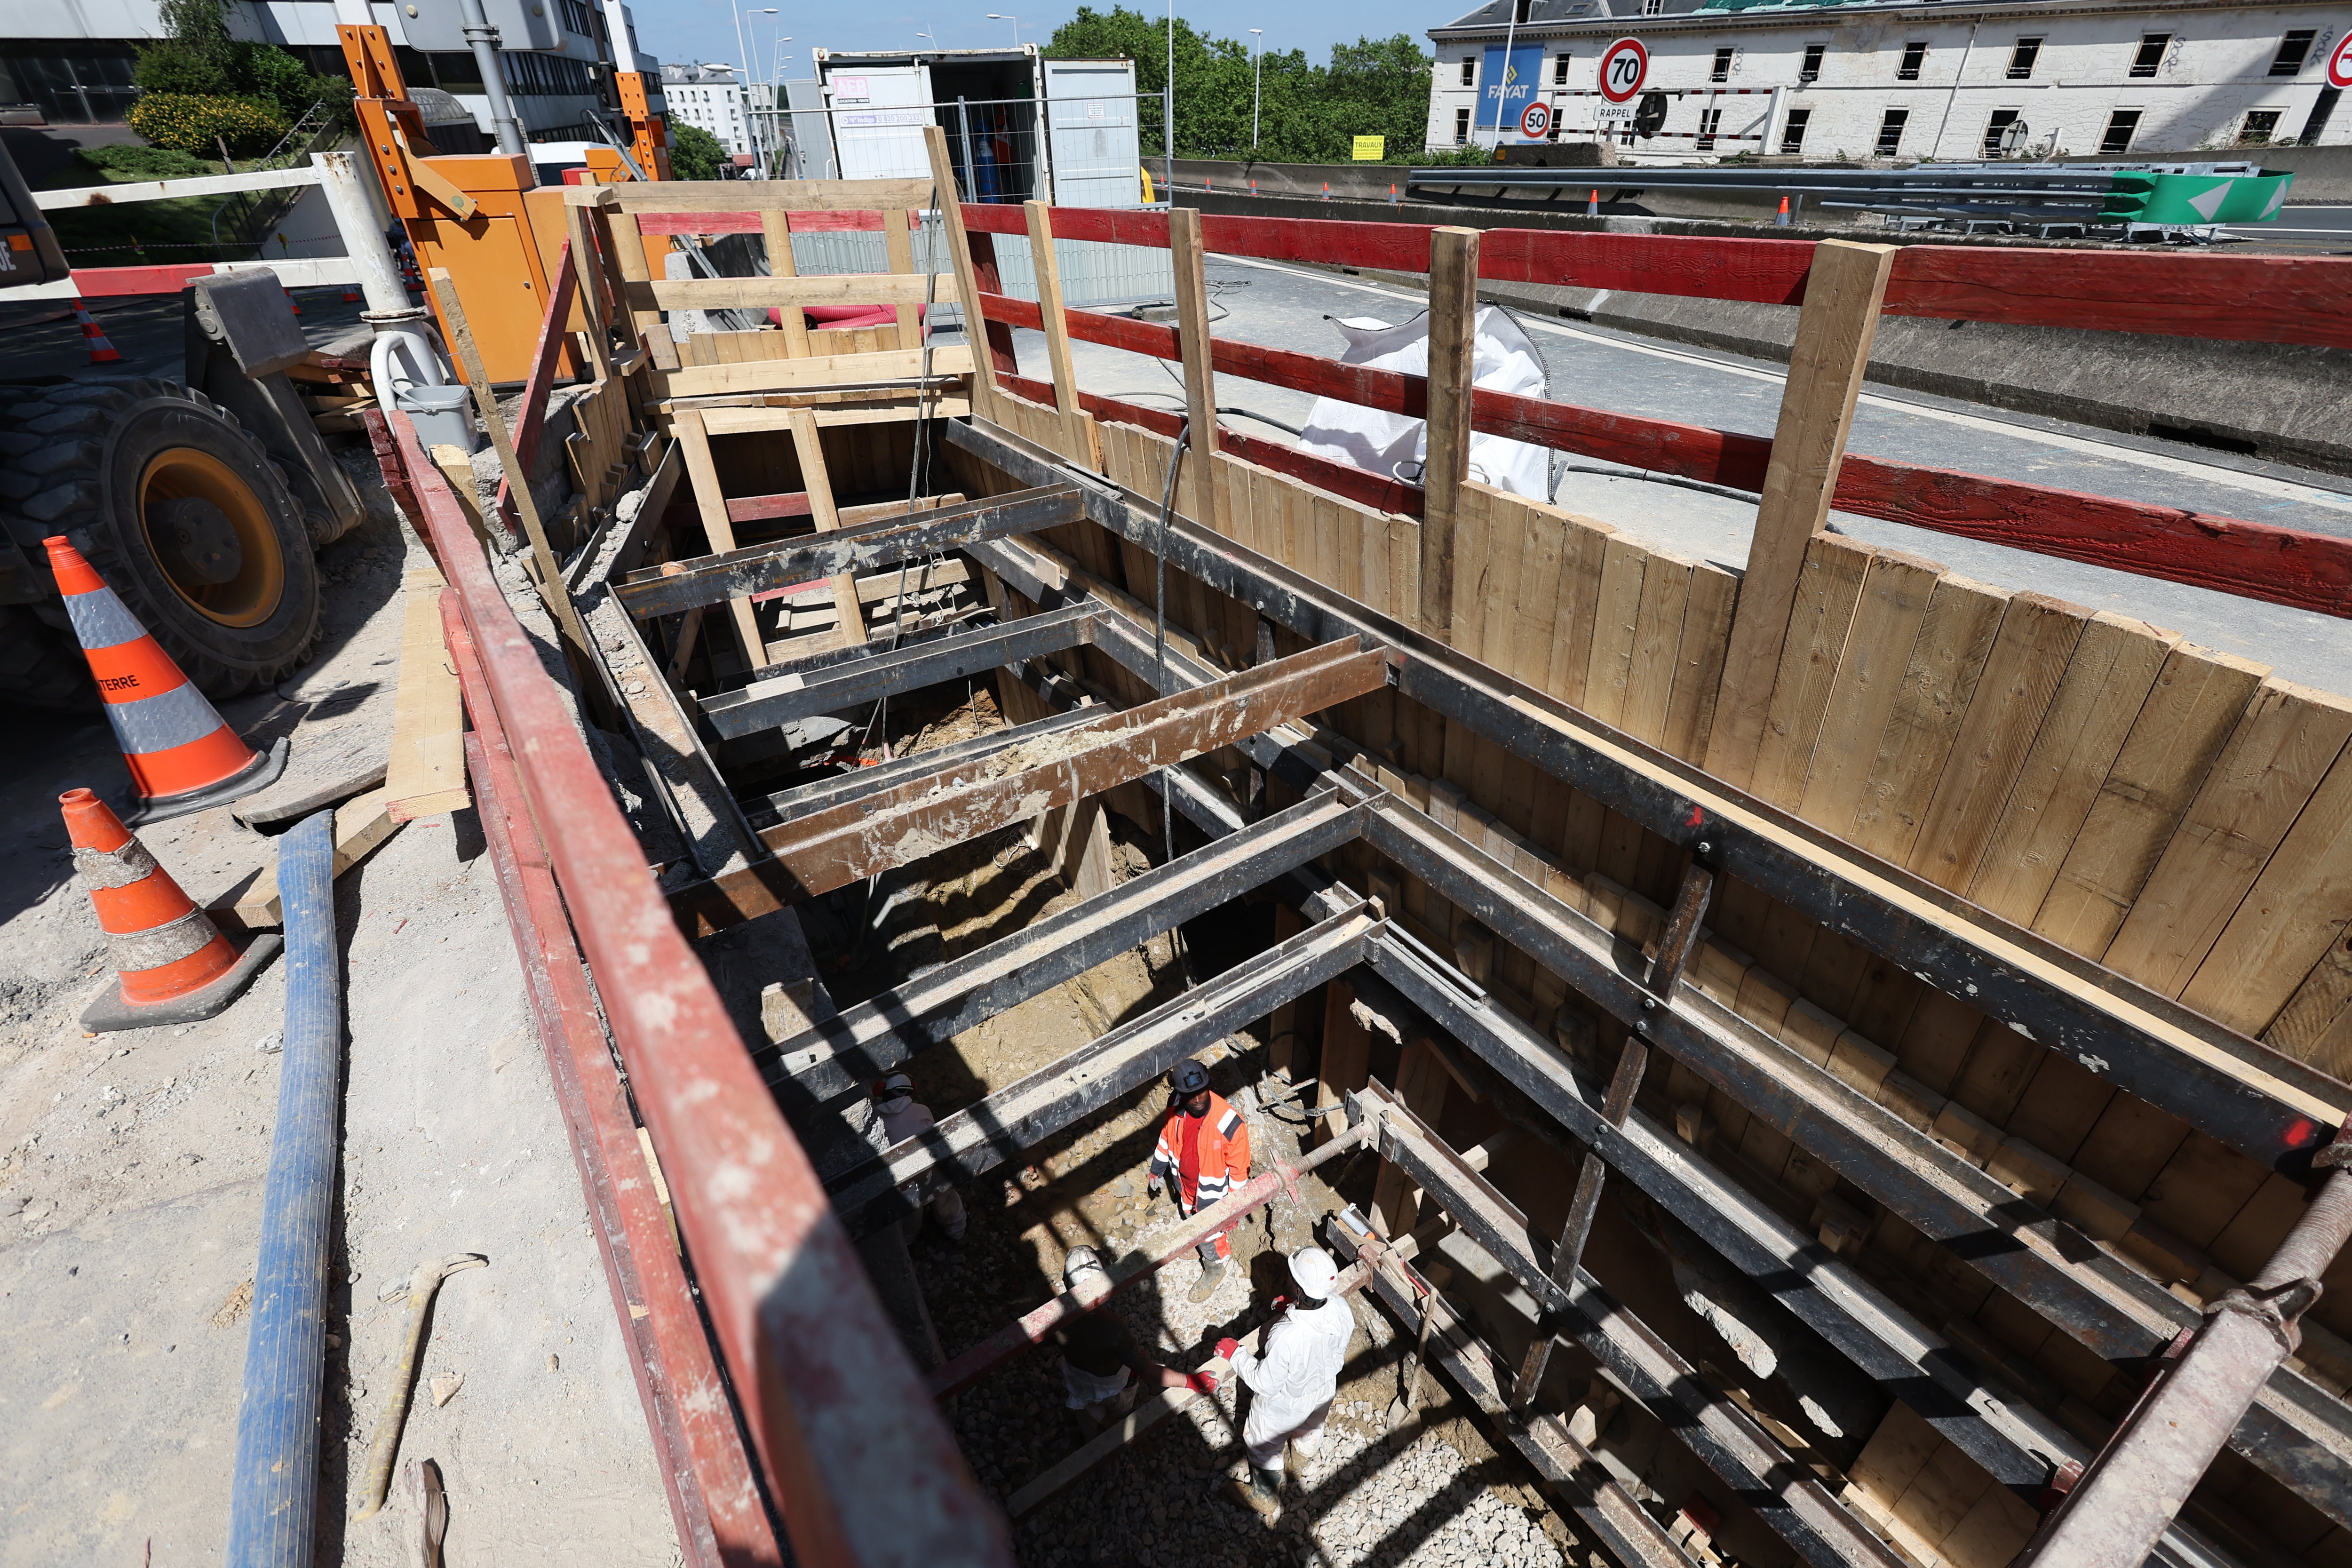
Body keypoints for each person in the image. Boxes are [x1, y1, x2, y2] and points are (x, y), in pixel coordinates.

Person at [1218, 1247, 1355, 1519]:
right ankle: (1302, 1458)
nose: (1289, 1280)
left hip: (1287, 1403)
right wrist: (1293, 1308)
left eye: (1294, 1279)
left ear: (1301, 1290)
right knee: (1311, 1427)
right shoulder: (1342, 1308)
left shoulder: (1286, 1335)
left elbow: (1264, 1383)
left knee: (1263, 1441)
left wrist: (1235, 1354)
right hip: (1324, 1388)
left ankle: (1265, 1497)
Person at [1053, 1247, 1216, 1439]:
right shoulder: (1114, 1330)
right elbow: (1148, 1371)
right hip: (1114, 1389)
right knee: (1118, 1407)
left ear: (1066, 1283)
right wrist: (1191, 1382)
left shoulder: (1055, 1319)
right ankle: (1111, 1431)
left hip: (1077, 1382)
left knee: (1088, 1415)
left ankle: (1092, 1429)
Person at [1145, 1057, 1252, 1303]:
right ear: (1180, 1093)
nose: (1198, 1099)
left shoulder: (1229, 1124)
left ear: (1208, 1085)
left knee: (1210, 1233)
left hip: (1213, 1196)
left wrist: (1234, 1211)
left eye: (1201, 1091)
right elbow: (1167, 1137)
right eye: (1190, 1095)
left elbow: (1239, 1172)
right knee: (1190, 1217)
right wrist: (1157, 1169)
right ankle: (1200, 1244)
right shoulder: (1176, 1106)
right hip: (1185, 1185)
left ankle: (1216, 1266)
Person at [870, 1072, 966, 1244]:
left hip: (903, 1177)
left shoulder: (878, 1120)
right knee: (947, 1200)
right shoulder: (923, 1110)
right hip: (931, 1166)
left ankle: (909, 1243)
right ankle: (957, 1233)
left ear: (883, 1092)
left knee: (910, 1214)